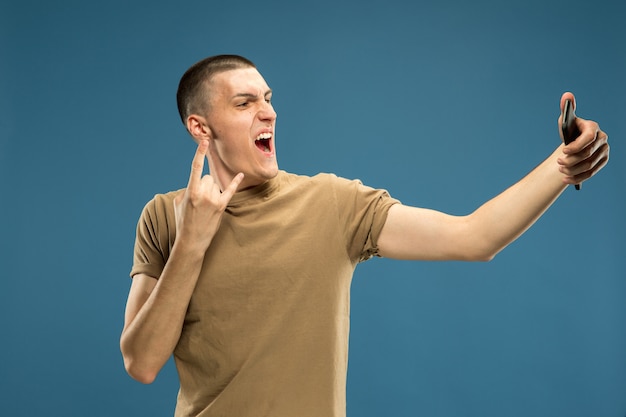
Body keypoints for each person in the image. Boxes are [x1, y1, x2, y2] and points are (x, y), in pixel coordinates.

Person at [120, 54, 610, 417]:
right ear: (200, 128)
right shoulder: (164, 217)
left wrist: (562, 166)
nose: (267, 113)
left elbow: (474, 237)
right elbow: (141, 362)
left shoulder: (333, 204)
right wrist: (192, 242)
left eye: (268, 100)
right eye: (244, 103)